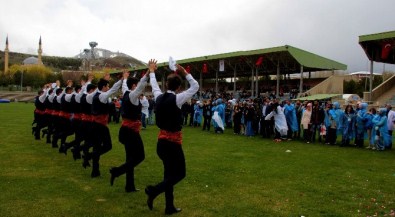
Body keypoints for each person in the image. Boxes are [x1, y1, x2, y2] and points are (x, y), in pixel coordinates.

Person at [145, 60, 199, 215]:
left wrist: (152, 71)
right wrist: (184, 72)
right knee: (180, 174)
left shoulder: (158, 96)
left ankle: (169, 206)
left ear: (167, 85)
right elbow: (195, 86)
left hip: (161, 143)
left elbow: (154, 85)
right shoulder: (177, 99)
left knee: (169, 175)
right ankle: (154, 191)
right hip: (172, 143)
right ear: (179, 87)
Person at [110, 69, 149, 192]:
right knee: (140, 156)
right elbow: (140, 86)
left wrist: (125, 78)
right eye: (136, 85)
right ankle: (117, 171)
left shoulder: (126, 91)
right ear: (134, 86)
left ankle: (129, 186)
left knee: (131, 158)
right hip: (130, 132)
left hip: (125, 131)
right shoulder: (132, 95)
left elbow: (124, 85)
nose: (139, 88)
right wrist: (148, 73)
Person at [90, 75, 123, 177]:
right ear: (103, 87)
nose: (108, 88)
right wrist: (121, 80)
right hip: (100, 126)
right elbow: (113, 90)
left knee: (97, 147)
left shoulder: (96, 94)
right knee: (108, 146)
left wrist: (104, 80)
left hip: (95, 125)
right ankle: (89, 156)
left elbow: (110, 89)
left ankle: (95, 171)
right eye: (107, 86)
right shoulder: (102, 96)